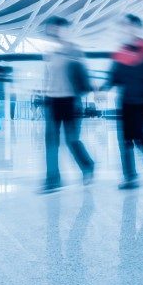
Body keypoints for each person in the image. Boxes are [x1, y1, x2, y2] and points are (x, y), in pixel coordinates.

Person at [103, 14, 143, 190]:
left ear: (138, 28)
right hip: (125, 102)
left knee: (140, 136)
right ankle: (130, 177)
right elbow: (114, 77)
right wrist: (104, 88)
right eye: (124, 26)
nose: (126, 29)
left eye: (129, 26)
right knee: (126, 139)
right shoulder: (120, 54)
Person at [41, 16, 95, 193]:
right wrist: (44, 94)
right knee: (51, 142)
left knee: (71, 140)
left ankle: (87, 166)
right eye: (51, 28)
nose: (54, 31)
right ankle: (53, 179)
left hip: (71, 101)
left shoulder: (74, 51)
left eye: (57, 28)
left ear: (64, 29)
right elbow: (47, 78)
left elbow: (83, 77)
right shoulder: (49, 53)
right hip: (52, 100)